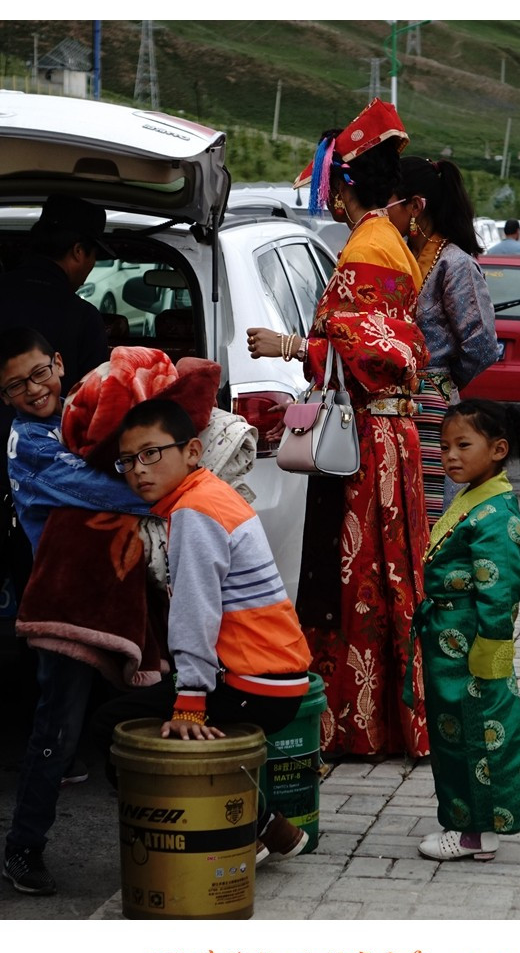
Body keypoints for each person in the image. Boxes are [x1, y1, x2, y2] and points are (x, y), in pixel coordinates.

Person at [246, 98, 431, 760]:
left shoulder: (366, 250)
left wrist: (291, 344)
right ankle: (381, 715)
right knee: (378, 577)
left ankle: (360, 721)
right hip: (382, 436)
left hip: (369, 440)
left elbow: (377, 352)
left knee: (357, 580)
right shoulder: (384, 242)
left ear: (344, 182)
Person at [112, 396, 312, 864]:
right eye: (127, 460)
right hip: (278, 678)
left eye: (151, 453)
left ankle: (228, 837)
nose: (139, 470)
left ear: (192, 453)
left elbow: (195, 615)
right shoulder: (208, 495)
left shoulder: (195, 512)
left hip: (255, 684)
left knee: (115, 727)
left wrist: (191, 704)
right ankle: (269, 830)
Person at [0, 327, 148, 896]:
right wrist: (165, 480)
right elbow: (109, 491)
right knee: (56, 732)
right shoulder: (31, 445)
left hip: (119, 597)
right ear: (4, 396)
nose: (33, 390)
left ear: (58, 364)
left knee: (151, 713)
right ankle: (22, 849)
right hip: (66, 608)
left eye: (39, 373)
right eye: (16, 385)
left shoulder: (84, 412)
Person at [405, 398, 520, 861]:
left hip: (471, 642)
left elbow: (498, 589)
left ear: (499, 449)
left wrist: (490, 650)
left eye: (464, 445)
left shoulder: (497, 515)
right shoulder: (476, 501)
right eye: (444, 446)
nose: (450, 456)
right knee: (455, 734)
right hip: (450, 635)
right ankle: (468, 827)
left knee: (475, 733)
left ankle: (474, 833)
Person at [0, 195, 109, 625]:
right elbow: (96, 409)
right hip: (49, 491)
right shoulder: (81, 318)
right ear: (79, 251)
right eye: (93, 256)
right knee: (43, 617)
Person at [386, 156, 499, 525]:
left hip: (432, 409)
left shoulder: (455, 263)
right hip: (398, 405)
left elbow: (481, 345)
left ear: (416, 206)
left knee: (430, 518)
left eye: (390, 201)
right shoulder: (400, 257)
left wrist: (440, 381)